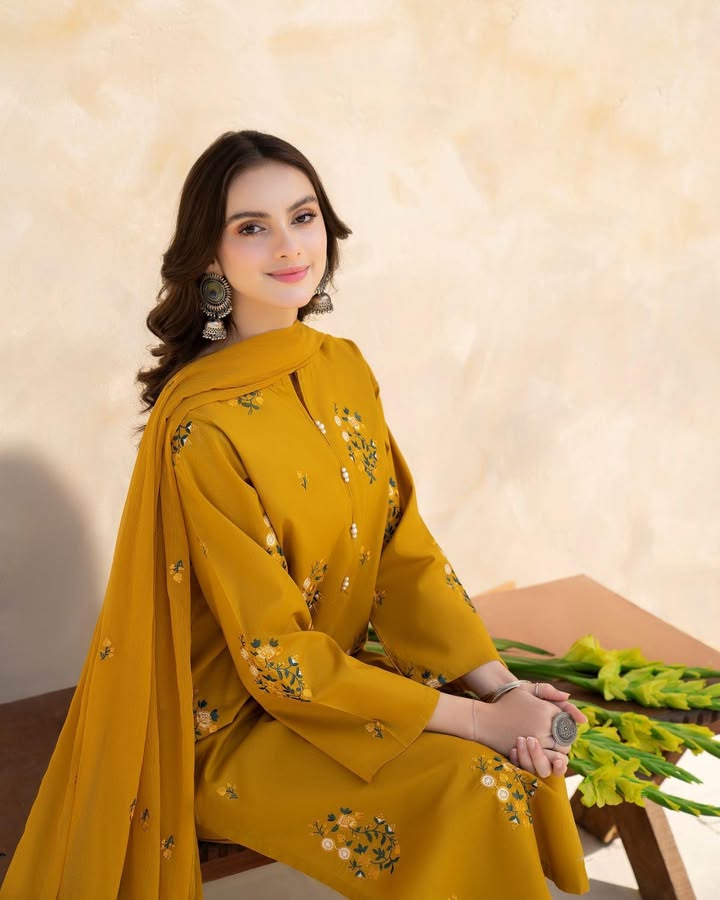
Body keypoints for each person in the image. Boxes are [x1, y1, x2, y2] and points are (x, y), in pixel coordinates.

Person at [1, 130, 589, 899]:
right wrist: (476, 721)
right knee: (474, 787)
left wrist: (502, 689)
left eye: (302, 216)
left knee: (503, 771)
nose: (287, 246)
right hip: (228, 727)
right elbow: (275, 658)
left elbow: (403, 553)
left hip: (338, 690)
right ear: (211, 258)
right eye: (252, 227)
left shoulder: (341, 366)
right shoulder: (204, 427)